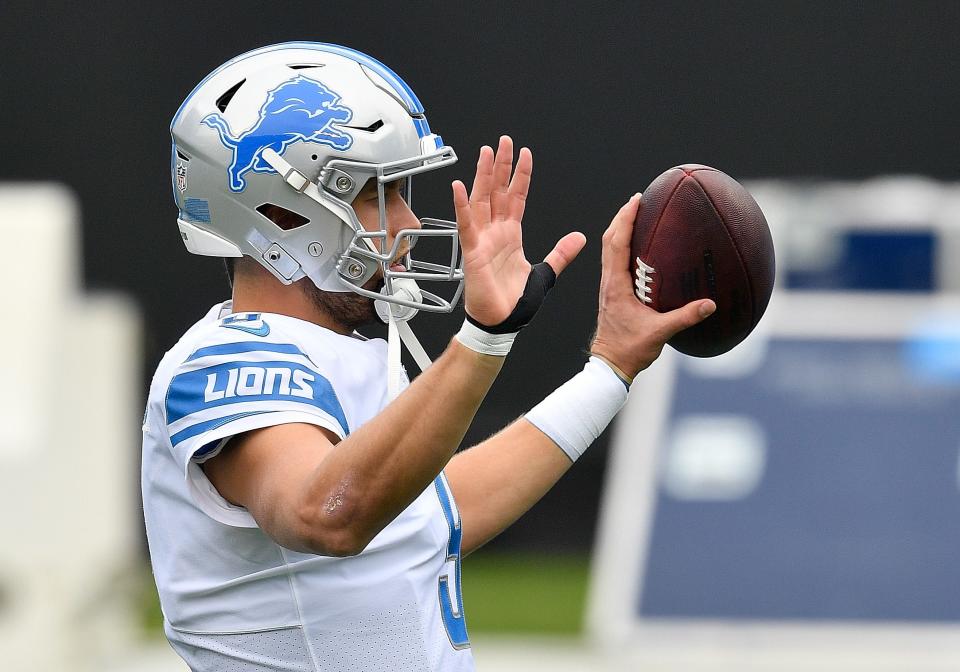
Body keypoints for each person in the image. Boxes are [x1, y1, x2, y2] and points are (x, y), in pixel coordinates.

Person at [141, 42, 715, 672]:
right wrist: (483, 339)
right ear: (282, 213)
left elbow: (432, 519)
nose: (410, 223)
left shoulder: (343, 356)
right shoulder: (219, 363)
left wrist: (609, 369)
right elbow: (328, 513)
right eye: (377, 196)